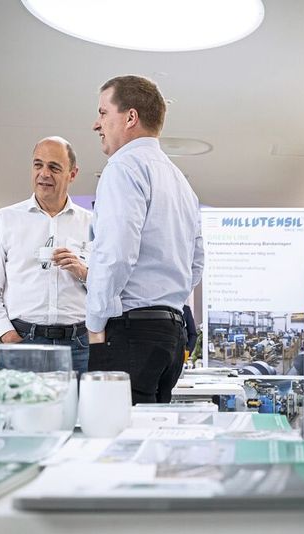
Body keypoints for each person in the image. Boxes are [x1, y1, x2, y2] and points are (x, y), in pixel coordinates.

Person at [87, 75, 204, 404]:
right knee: (148, 439)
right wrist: (167, 297)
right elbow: (196, 263)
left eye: (102, 112)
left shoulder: (123, 167)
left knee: (115, 441)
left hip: (130, 332)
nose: (96, 124)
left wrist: (96, 324)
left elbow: (117, 253)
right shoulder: (180, 180)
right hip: (170, 332)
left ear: (130, 117)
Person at [0, 136, 92, 374]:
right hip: (22, 341)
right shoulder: (4, 220)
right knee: (21, 412)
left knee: (80, 412)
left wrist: (83, 272)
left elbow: (109, 287)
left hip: (79, 346)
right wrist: (7, 335)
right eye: (38, 165)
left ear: (72, 174)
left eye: (54, 167)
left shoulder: (92, 224)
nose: (44, 174)